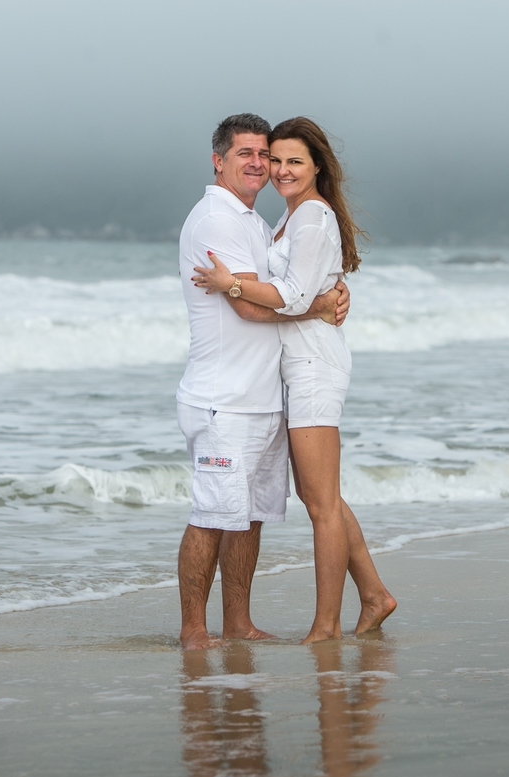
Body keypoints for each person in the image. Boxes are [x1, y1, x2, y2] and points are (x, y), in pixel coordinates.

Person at [193, 117, 397, 643]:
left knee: (321, 502)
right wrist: (327, 297)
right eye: (273, 158)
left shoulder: (308, 215)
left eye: (292, 161)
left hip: (312, 368)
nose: (279, 169)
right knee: (317, 495)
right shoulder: (288, 216)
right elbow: (311, 290)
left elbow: (294, 296)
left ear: (317, 167)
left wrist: (232, 284)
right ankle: (374, 594)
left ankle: (325, 627)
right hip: (298, 367)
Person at [176, 113, 349, 651]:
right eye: (246, 154)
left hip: (264, 395)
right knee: (212, 515)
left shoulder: (257, 220)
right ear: (218, 161)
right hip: (222, 399)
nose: (260, 164)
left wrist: (326, 291)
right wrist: (319, 305)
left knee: (248, 518)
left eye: (264, 154)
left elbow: (289, 281)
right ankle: (193, 629)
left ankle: (238, 623)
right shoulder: (217, 219)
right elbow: (251, 308)